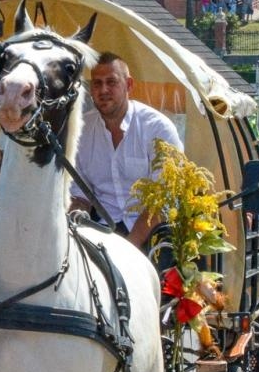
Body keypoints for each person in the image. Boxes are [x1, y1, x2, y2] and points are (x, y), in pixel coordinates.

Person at [70, 53, 182, 247]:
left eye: (111, 82)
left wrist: (128, 249)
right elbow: (79, 194)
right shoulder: (82, 130)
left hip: (152, 232)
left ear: (129, 85)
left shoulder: (157, 128)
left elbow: (162, 201)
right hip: (101, 229)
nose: (103, 90)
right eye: (97, 83)